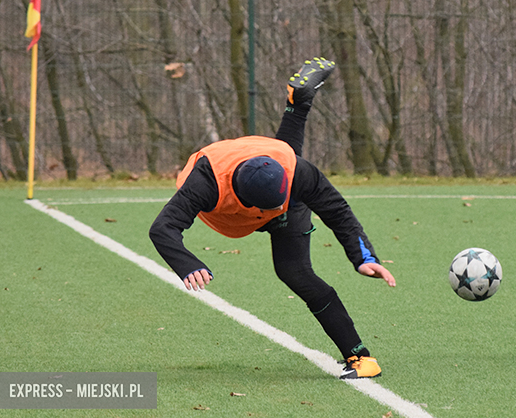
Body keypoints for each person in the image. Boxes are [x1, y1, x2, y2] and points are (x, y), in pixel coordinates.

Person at [149, 57, 396, 379]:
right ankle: (298, 105)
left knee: (295, 273)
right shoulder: (205, 183)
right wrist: (187, 263)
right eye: (269, 208)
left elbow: (337, 211)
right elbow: (162, 228)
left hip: (273, 160)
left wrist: (363, 257)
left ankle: (361, 358)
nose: (276, 209)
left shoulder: (298, 176)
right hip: (228, 166)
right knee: (286, 155)